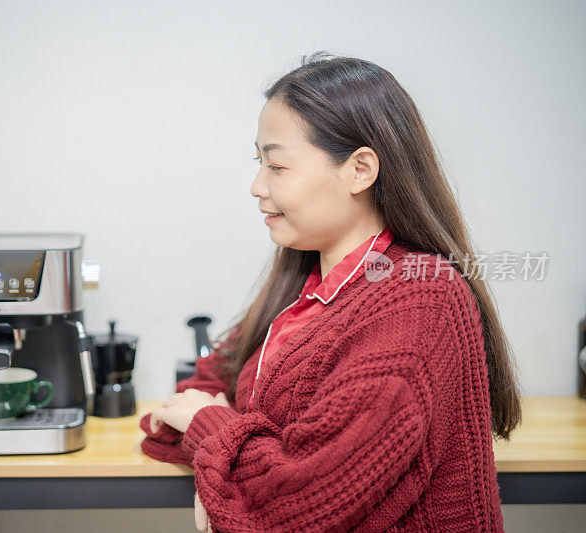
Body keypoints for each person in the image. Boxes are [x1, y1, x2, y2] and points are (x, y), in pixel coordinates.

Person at [139, 51, 522, 532]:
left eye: (277, 166)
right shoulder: (304, 284)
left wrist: (209, 433)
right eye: (259, 162)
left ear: (360, 170)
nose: (256, 186)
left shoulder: (421, 300)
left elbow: (300, 501)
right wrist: (220, 452)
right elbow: (196, 391)